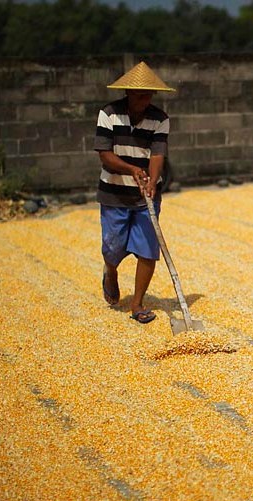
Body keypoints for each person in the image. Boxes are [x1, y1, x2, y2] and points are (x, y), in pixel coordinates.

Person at [93, 61, 175, 324]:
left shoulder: (160, 119)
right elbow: (106, 156)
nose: (144, 100)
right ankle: (110, 271)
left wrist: (152, 181)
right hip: (114, 194)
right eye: (139, 94)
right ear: (127, 93)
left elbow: (158, 153)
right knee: (112, 247)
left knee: (148, 249)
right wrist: (131, 169)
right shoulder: (108, 114)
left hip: (146, 195)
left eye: (149, 94)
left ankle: (137, 304)